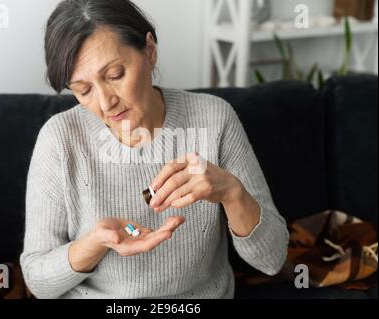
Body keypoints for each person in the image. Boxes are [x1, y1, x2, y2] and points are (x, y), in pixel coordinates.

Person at [20, 0, 289, 299]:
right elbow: (37, 281)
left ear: (150, 51)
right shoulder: (59, 139)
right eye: (83, 90)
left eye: (115, 75)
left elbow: (272, 259)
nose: (105, 102)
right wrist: (95, 243)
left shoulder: (215, 119)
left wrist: (231, 193)